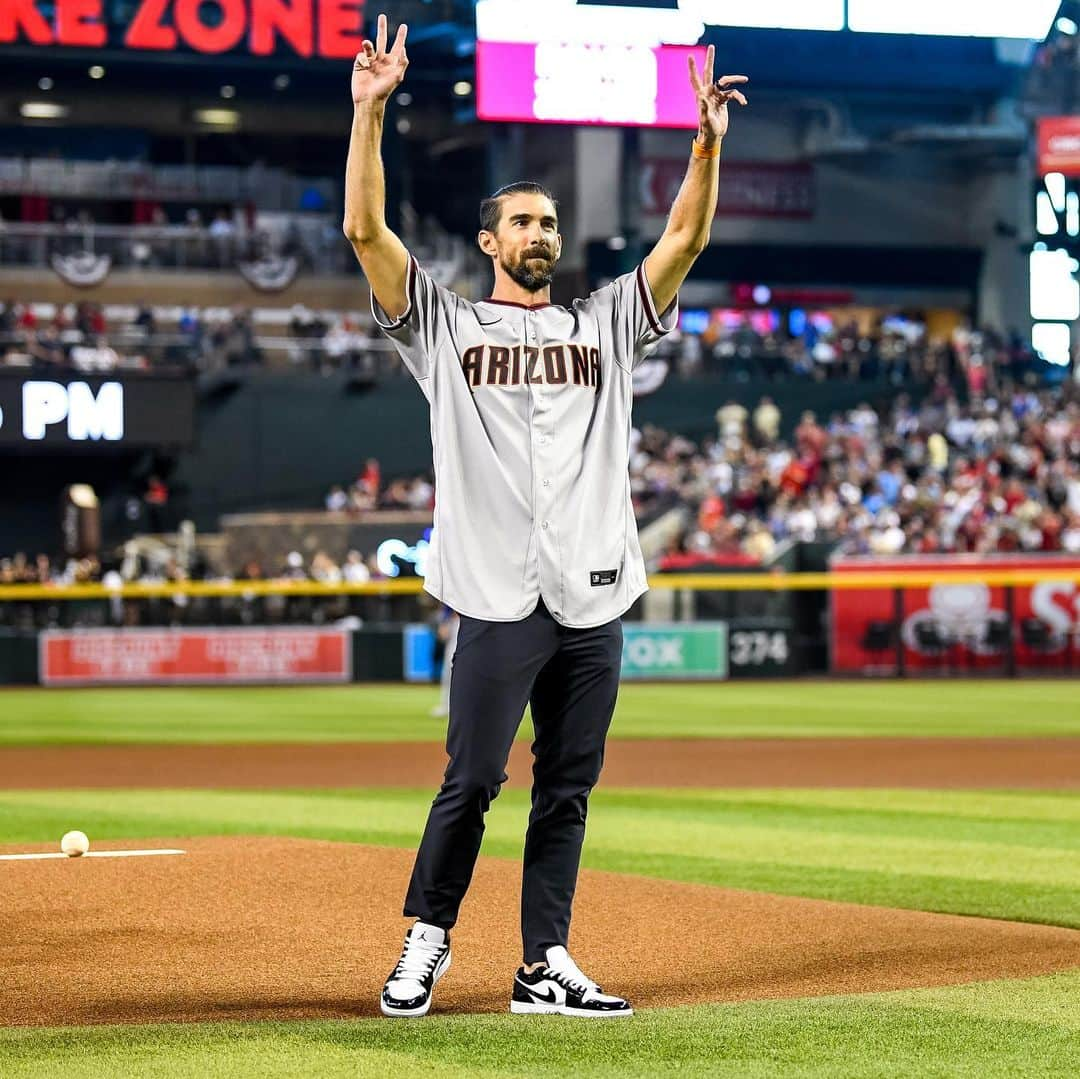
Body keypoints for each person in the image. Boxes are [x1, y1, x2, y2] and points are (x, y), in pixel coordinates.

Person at [344, 13, 747, 1020]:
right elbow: (364, 233)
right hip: (496, 590)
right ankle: (425, 943)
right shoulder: (444, 325)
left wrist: (704, 147)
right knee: (472, 777)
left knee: (566, 790)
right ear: (488, 240)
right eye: (523, 223)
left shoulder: (604, 320)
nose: (541, 236)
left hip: (594, 588)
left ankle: (545, 961)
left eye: (550, 225)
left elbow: (686, 237)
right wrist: (370, 115)